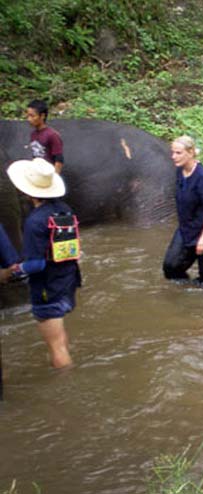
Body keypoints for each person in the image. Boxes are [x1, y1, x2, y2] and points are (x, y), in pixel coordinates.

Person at [5, 158, 81, 368]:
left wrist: (14, 270)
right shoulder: (65, 209)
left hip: (47, 287)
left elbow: (36, 265)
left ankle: (65, 383)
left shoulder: (35, 221)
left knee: (56, 346)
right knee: (59, 338)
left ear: (28, 191)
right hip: (68, 280)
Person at [162, 135, 203, 286]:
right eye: (173, 152)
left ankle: (202, 300)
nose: (173, 157)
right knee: (171, 267)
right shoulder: (180, 171)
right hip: (186, 229)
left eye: (178, 153)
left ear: (190, 153)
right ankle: (187, 293)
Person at [26, 100, 64, 174]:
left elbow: (59, 159)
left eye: (32, 116)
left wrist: (54, 178)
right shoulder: (33, 134)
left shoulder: (52, 135)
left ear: (42, 116)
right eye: (28, 116)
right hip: (37, 174)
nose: (29, 119)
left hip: (47, 175)